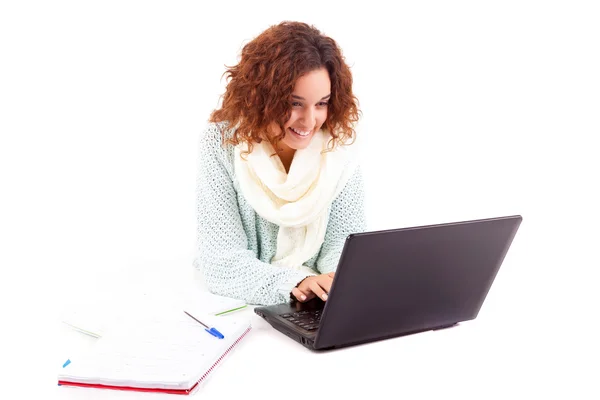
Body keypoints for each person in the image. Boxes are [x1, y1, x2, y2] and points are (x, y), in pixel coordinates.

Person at [194, 21, 366, 306]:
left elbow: (344, 246)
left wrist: (337, 284)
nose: (310, 121)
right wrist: (298, 284)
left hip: (319, 305)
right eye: (295, 103)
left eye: (321, 103)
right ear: (261, 98)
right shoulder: (222, 144)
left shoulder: (338, 147)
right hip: (242, 306)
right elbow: (221, 263)